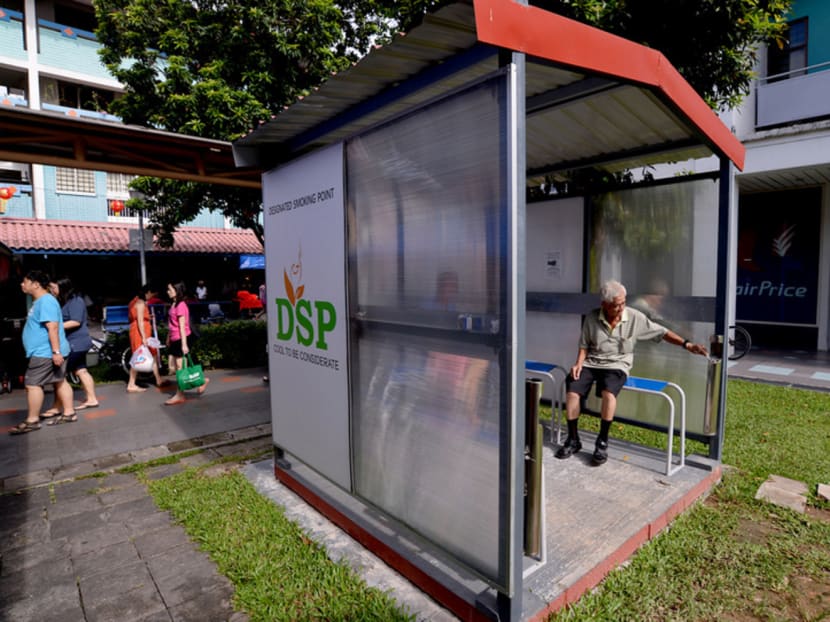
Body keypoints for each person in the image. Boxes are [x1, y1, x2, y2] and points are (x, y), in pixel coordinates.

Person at [556, 279, 708, 466]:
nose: (621, 308)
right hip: (592, 362)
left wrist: (687, 344)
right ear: (604, 304)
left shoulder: (635, 317)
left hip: (617, 365)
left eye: (623, 303)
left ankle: (602, 442)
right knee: (572, 390)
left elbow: (662, 332)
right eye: (616, 305)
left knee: (608, 393)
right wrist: (578, 364)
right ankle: (573, 439)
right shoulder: (592, 318)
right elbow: (584, 345)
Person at [9, 270, 76, 434]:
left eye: (25, 281)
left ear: (36, 284)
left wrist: (56, 352)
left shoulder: (45, 301)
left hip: (45, 352)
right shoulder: (41, 301)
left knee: (32, 384)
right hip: (48, 351)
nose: (22, 285)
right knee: (60, 380)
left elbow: (52, 327)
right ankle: (69, 413)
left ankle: (32, 420)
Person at [41, 277, 99, 415]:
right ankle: (92, 399)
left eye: (54, 287)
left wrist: (55, 327)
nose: (52, 291)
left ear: (63, 287)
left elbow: (76, 321)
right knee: (81, 370)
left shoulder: (75, 301)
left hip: (76, 342)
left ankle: (57, 406)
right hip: (76, 342)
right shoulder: (66, 301)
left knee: (59, 374)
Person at [164, 280, 208, 405]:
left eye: (170, 290)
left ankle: (180, 395)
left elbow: (182, 327)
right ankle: (202, 380)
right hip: (174, 338)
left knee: (180, 368)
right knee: (179, 367)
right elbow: (172, 324)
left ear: (177, 292)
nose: (167, 292)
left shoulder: (181, 305)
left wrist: (184, 345)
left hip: (180, 338)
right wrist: (168, 337)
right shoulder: (173, 304)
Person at [126, 284, 166, 392]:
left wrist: (147, 317)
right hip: (140, 333)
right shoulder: (141, 303)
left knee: (151, 354)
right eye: (152, 294)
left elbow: (136, 318)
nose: (151, 296)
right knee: (138, 357)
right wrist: (144, 337)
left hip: (139, 331)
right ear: (147, 292)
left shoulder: (134, 302)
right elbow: (139, 321)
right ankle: (131, 384)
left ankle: (158, 379)